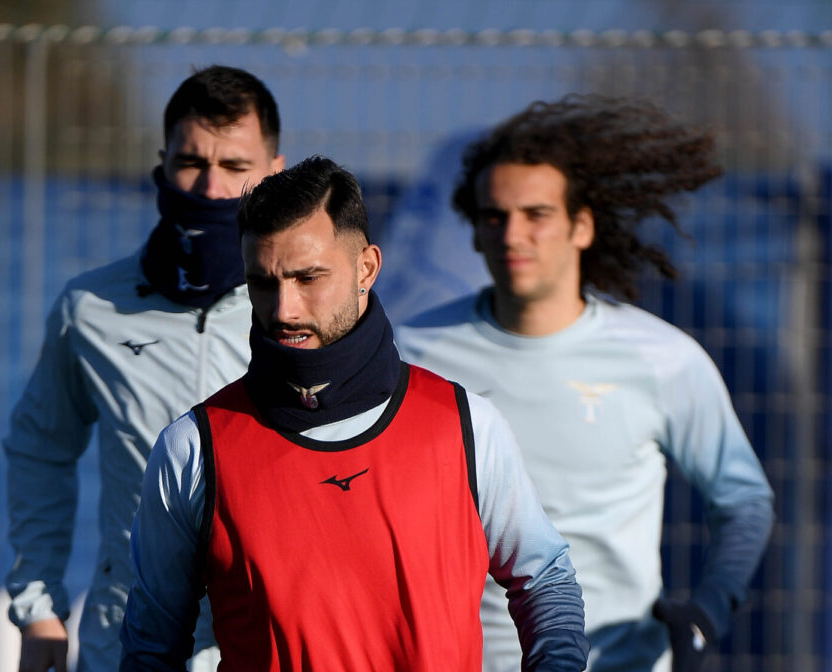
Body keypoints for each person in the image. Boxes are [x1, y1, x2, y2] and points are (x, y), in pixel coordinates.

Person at [119, 156, 590, 672]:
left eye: (308, 277)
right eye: (263, 282)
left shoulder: (465, 426)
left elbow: (544, 579)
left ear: (367, 267)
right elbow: (152, 644)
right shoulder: (195, 447)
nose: (284, 309)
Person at [394, 96, 775, 672]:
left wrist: (708, 611)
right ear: (474, 232)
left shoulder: (663, 359)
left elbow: (744, 500)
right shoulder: (411, 354)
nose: (513, 235)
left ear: (582, 226)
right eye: (494, 217)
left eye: (536, 214)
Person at [4, 65, 285, 672]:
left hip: (268, 642)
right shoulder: (91, 308)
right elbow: (39, 449)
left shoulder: (311, 310)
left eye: (236, 168)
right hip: (124, 640)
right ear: (162, 163)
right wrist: (39, 605)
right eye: (192, 163)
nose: (211, 189)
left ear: (274, 173)